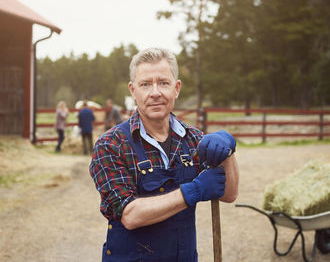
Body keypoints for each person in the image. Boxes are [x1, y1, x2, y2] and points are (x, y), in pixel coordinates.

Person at [89, 48, 239, 261]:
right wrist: (193, 191)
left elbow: (229, 194)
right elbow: (130, 215)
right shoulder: (111, 144)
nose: (155, 92)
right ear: (133, 90)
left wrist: (228, 152)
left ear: (176, 88)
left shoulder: (194, 140)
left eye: (164, 83)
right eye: (145, 84)